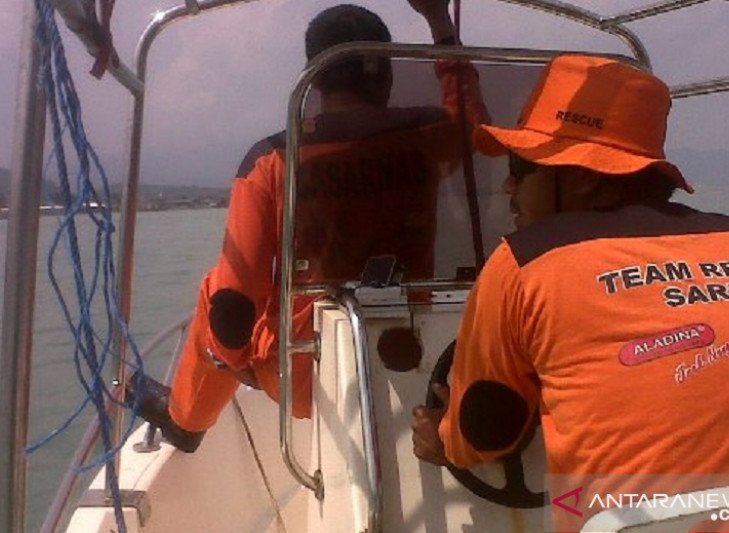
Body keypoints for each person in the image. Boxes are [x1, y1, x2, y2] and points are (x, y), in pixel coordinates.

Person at [411, 54, 729, 531]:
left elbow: (485, 432)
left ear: (585, 176)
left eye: (521, 166)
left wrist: (441, 438)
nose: (509, 185)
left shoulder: (526, 261)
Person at [127, 1, 488, 452]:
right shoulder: (428, 136)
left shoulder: (274, 159)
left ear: (313, 79)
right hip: (418, 355)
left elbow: (235, 302)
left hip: (305, 378)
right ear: (388, 74)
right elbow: (478, 128)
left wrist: (234, 361)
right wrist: (439, 22)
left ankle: (187, 419)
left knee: (215, 289)